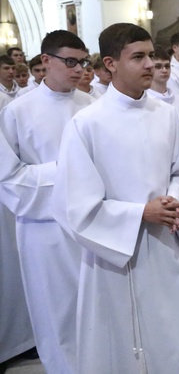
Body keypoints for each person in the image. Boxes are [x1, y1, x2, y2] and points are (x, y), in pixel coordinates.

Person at [55, 23, 179, 373]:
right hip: (116, 257)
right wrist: (139, 213)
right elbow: (75, 205)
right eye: (138, 57)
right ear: (111, 63)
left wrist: (174, 201)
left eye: (152, 56)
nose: (150, 65)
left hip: (167, 245)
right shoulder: (87, 124)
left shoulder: (166, 114)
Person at [0, 31, 94, 373]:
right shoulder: (17, 112)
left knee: (94, 309)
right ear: (45, 62)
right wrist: (66, 172)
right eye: (70, 62)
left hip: (93, 224)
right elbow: (9, 179)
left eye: (83, 62)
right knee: (58, 311)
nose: (79, 70)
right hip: (44, 229)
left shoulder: (92, 105)